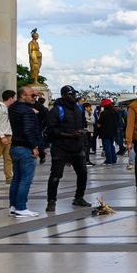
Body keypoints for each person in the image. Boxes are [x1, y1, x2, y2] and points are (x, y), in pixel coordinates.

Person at [43, 85, 92, 213]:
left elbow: (82, 124)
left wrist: (82, 134)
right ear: (64, 96)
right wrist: (70, 135)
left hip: (77, 147)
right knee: (56, 175)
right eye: (71, 94)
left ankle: (79, 197)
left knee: (83, 173)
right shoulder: (56, 110)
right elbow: (51, 130)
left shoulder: (79, 109)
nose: (74, 97)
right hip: (61, 148)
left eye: (75, 94)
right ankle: (51, 201)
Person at [5, 85, 44, 218]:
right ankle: (21, 207)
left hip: (15, 147)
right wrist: (34, 146)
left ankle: (13, 206)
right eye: (32, 95)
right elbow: (28, 130)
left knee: (16, 179)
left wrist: (34, 97)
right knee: (25, 180)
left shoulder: (13, 108)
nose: (35, 97)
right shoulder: (27, 112)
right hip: (25, 148)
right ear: (23, 96)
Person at [96, 98, 124, 165]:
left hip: (105, 132)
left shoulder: (103, 113)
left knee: (106, 146)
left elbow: (99, 122)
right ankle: (114, 159)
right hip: (114, 131)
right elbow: (118, 121)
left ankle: (108, 160)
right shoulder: (115, 112)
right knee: (111, 145)